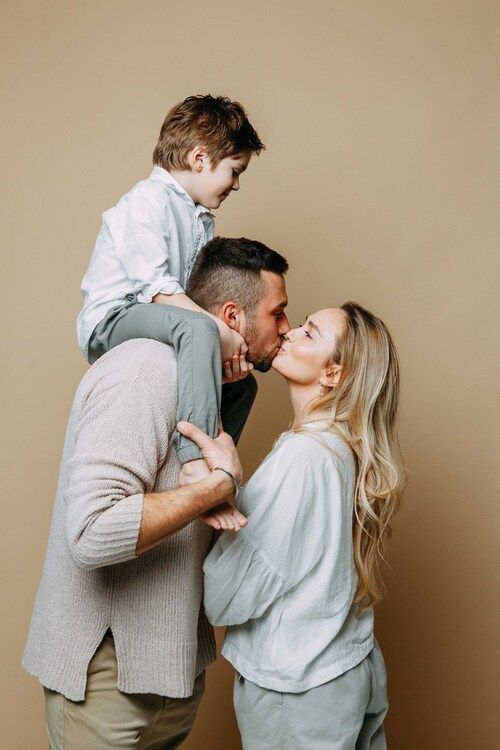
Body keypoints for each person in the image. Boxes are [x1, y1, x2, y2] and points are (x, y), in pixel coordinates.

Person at [22, 238, 289, 749]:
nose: (286, 328)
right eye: (277, 313)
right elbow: (92, 532)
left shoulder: (211, 386)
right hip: (102, 678)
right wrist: (218, 485)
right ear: (232, 315)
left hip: (172, 674)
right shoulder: (145, 369)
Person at [183, 302, 404, 749]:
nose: (290, 332)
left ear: (333, 375)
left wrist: (216, 493)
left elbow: (230, 593)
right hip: (348, 667)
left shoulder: (302, 457)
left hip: (300, 688)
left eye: (310, 332)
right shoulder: (343, 447)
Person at [76, 94, 265, 491]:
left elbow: (189, 298)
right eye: (235, 170)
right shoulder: (147, 201)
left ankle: (217, 453)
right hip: (115, 318)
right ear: (200, 159)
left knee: (244, 383)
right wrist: (214, 329)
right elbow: (159, 293)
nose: (237, 184)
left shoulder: (199, 218)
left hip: (163, 317)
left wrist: (225, 342)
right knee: (201, 330)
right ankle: (194, 458)